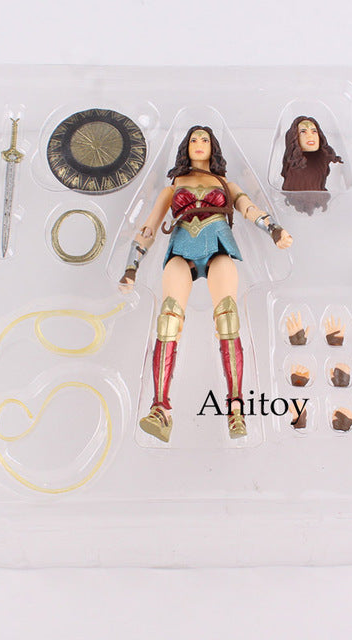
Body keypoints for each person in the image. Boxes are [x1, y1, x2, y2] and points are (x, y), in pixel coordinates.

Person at [120, 125, 292, 442]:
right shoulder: (173, 187)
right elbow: (149, 227)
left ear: (213, 147)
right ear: (185, 147)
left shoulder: (226, 183)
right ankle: (160, 409)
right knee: (168, 321)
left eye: (205, 140)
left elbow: (249, 208)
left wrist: (274, 229)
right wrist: (132, 267)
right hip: (181, 249)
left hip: (218, 247)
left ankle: (236, 408)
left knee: (228, 318)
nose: (199, 144)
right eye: (194, 139)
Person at [280, 116, 343, 214]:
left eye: (314, 131)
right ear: (295, 137)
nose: (310, 136)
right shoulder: (293, 165)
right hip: (291, 207)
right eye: (303, 132)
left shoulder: (322, 161)